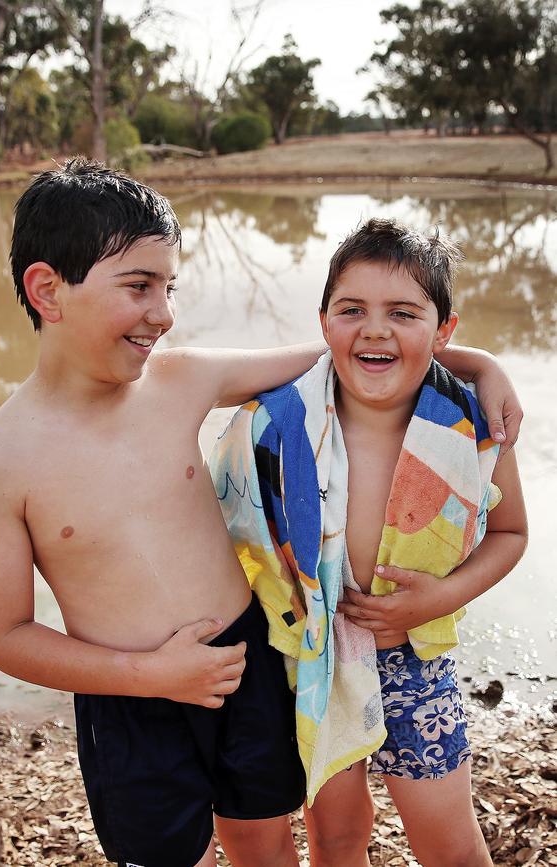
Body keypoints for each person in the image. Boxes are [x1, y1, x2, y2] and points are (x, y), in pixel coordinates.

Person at [0, 159, 522, 867]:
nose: (163, 312)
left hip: (247, 662)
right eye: (140, 286)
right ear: (48, 290)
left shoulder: (181, 377)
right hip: (128, 696)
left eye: (170, 287)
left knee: (263, 837)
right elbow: (5, 633)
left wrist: (476, 364)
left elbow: (351, 350)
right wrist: (149, 675)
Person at [210, 218, 527, 867]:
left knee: (453, 846)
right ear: (323, 323)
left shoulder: (471, 425)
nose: (375, 328)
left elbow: (512, 531)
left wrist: (441, 595)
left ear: (444, 332)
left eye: (403, 312)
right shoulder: (274, 426)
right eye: (352, 309)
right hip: (315, 666)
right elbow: (226, 539)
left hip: (417, 662)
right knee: (336, 835)